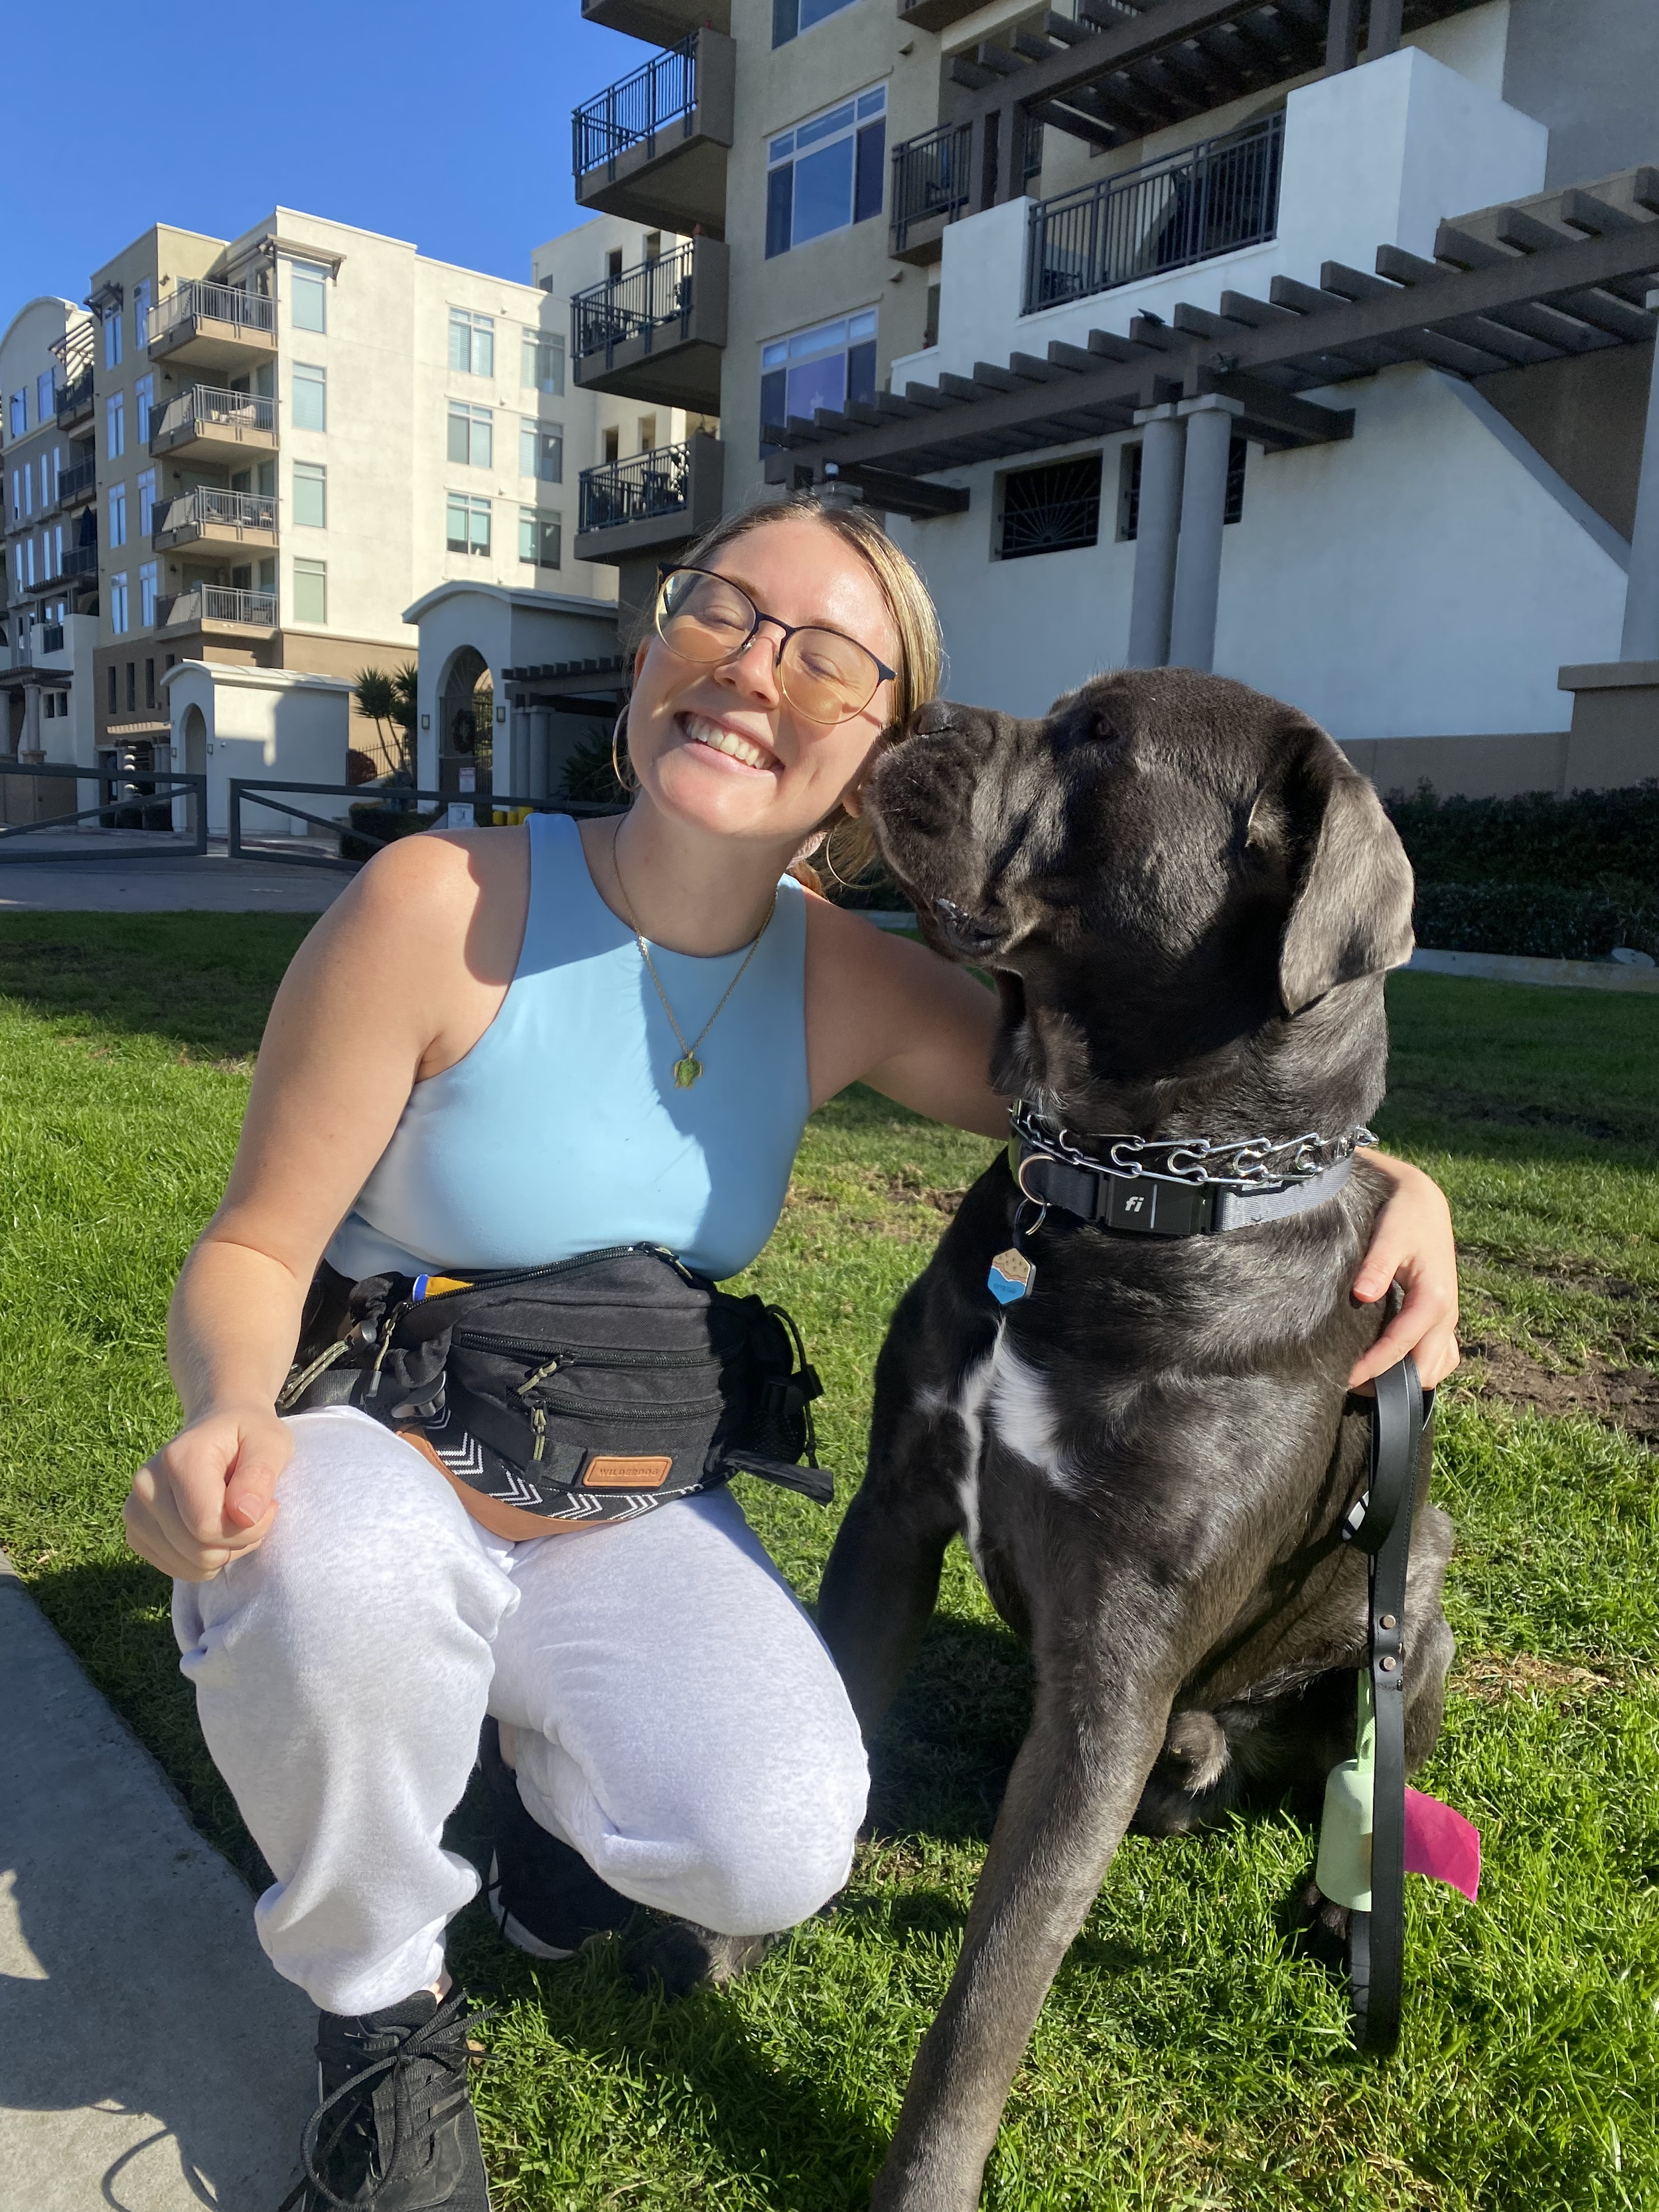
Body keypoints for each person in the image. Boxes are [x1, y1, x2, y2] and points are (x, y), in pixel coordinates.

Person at [122, 497, 1459, 2211]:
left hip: (615, 1504)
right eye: (721, 613)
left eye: (824, 652)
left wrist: (1389, 1185)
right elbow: (252, 1245)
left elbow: (1178, 1111)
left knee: (774, 1836)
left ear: (878, 750)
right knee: (338, 1562)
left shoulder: (842, 977)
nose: (754, 667)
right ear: (647, 660)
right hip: (390, 1454)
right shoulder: (438, 901)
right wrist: (234, 1405)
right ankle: (382, 2013)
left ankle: (541, 1791)